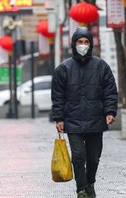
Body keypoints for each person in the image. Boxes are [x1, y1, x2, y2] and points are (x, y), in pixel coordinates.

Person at [51, 27, 118, 198]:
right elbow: (57, 95)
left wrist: (110, 111)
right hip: (72, 120)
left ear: (91, 44)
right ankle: (81, 189)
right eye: (80, 42)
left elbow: (110, 91)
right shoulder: (63, 69)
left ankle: (90, 183)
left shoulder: (101, 66)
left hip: (95, 119)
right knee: (79, 156)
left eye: (86, 42)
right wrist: (59, 118)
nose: (83, 45)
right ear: (74, 44)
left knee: (93, 158)